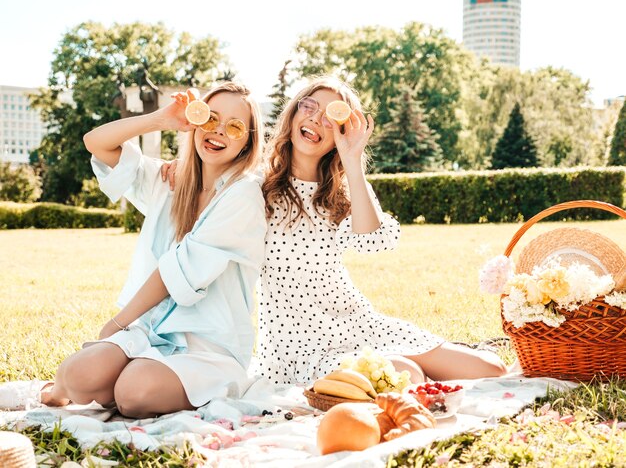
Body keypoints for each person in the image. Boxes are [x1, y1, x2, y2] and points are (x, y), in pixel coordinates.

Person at [162, 77, 508, 386]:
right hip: (298, 342)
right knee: (407, 374)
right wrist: (183, 169)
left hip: (358, 322)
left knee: (492, 368)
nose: (315, 119)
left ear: (341, 132)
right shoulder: (255, 186)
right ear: (293, 115)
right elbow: (208, 181)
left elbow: (374, 241)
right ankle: (409, 368)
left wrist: (353, 159)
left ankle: (423, 360)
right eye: (309, 107)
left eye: (331, 117)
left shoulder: (340, 193)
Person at [0, 83, 267, 417]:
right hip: (148, 333)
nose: (218, 132)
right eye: (210, 119)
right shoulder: (168, 180)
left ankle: (123, 383)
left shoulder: (244, 195)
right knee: (76, 375)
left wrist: (116, 323)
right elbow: (96, 143)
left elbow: (179, 271)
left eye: (235, 126)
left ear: (248, 141)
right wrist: (163, 118)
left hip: (208, 346)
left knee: (134, 393)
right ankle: (54, 393)